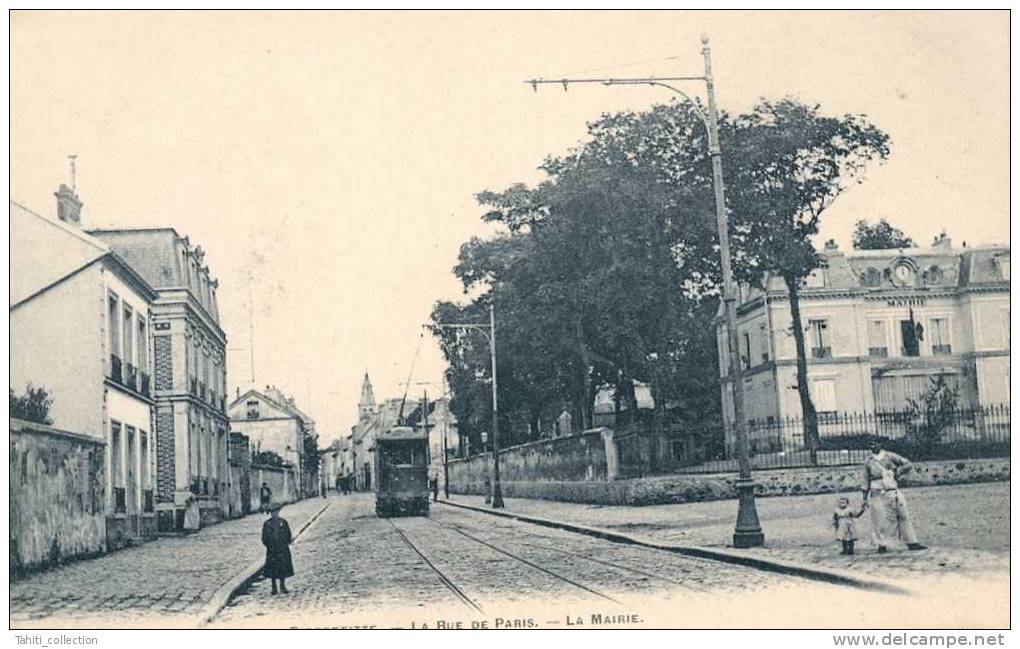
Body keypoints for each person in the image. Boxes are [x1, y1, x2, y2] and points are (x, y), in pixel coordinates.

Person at [862, 442, 927, 553]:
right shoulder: (868, 461)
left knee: (903, 515)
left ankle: (912, 542)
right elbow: (865, 480)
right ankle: (881, 545)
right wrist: (864, 498)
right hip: (877, 492)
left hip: (892, 490)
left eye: (875, 444)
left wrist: (896, 473)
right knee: (879, 519)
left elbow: (907, 464)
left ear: (880, 444)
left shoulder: (889, 456)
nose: (873, 447)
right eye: (870, 445)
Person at [261, 503, 294, 595]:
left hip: (282, 548)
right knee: (273, 568)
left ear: (278, 512)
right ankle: (273, 587)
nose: (274, 514)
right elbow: (264, 537)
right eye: (272, 512)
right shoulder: (267, 524)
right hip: (272, 550)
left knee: (282, 567)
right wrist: (269, 545)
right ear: (270, 513)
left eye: (275, 512)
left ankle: (282, 586)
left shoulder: (283, 522)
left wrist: (285, 543)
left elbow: (288, 534)